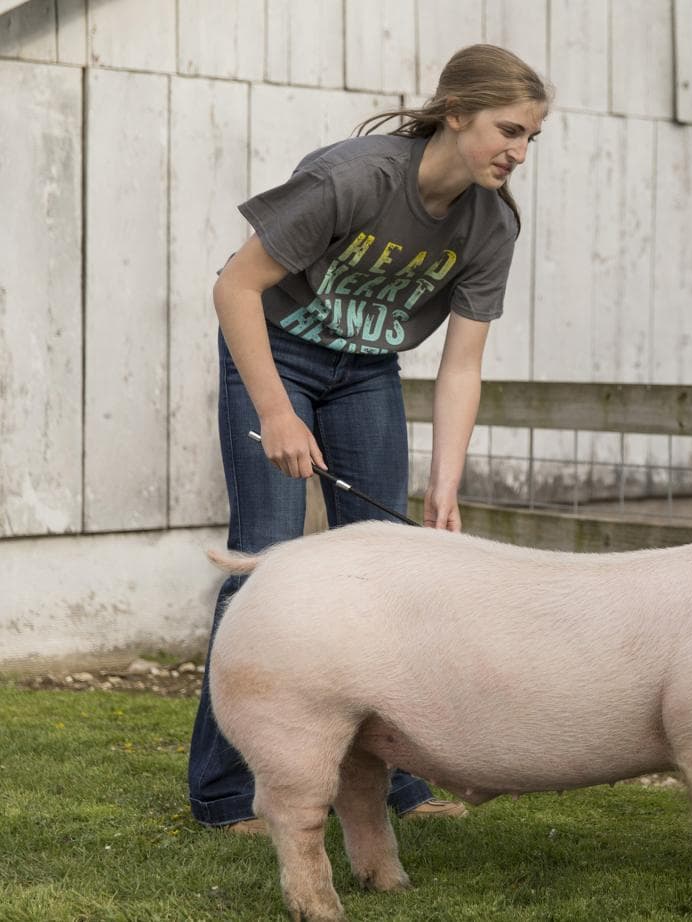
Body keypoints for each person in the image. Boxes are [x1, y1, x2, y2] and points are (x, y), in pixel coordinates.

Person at [187, 44, 549, 834]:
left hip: (364, 370)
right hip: (276, 349)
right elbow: (234, 287)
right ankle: (220, 795)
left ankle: (397, 790)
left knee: (392, 576)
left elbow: (461, 365)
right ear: (456, 114)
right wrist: (276, 411)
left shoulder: (492, 225)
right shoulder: (354, 178)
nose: (519, 152)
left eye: (531, 139)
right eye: (508, 130)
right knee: (266, 558)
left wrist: (445, 481)